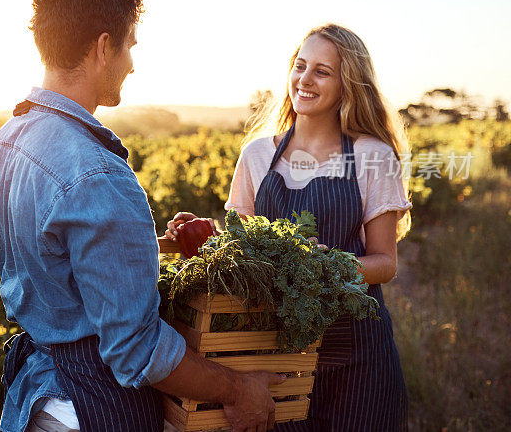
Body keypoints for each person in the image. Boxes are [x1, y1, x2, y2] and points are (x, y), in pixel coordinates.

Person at [0, 0, 285, 432]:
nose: (132, 63)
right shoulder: (99, 174)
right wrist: (240, 389)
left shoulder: (1, 146)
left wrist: (152, 245)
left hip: (37, 402)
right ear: (103, 47)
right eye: (130, 46)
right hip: (91, 409)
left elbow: (55, 262)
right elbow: (136, 351)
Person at [167, 24, 411, 431]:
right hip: (278, 354)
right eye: (300, 66)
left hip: (359, 354)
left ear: (347, 84)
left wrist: (324, 267)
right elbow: (240, 251)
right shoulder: (258, 156)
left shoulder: (372, 155)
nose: (305, 79)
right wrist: (199, 234)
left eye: (322, 71)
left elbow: (385, 263)